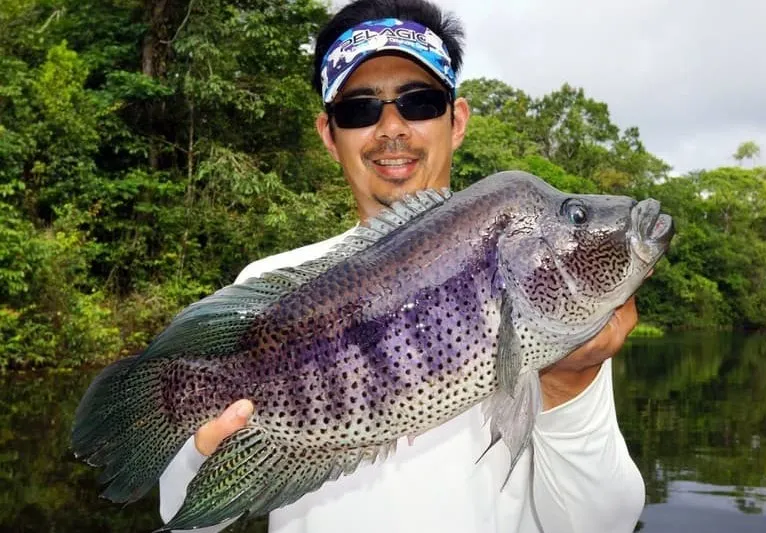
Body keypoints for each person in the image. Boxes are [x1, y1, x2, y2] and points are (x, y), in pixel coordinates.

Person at [159, 1, 645, 531]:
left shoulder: (557, 326)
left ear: (455, 120)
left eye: (419, 102)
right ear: (329, 133)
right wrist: (199, 454)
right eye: (360, 109)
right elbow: (183, 519)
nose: (392, 127)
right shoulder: (270, 287)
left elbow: (604, 523)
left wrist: (570, 384)